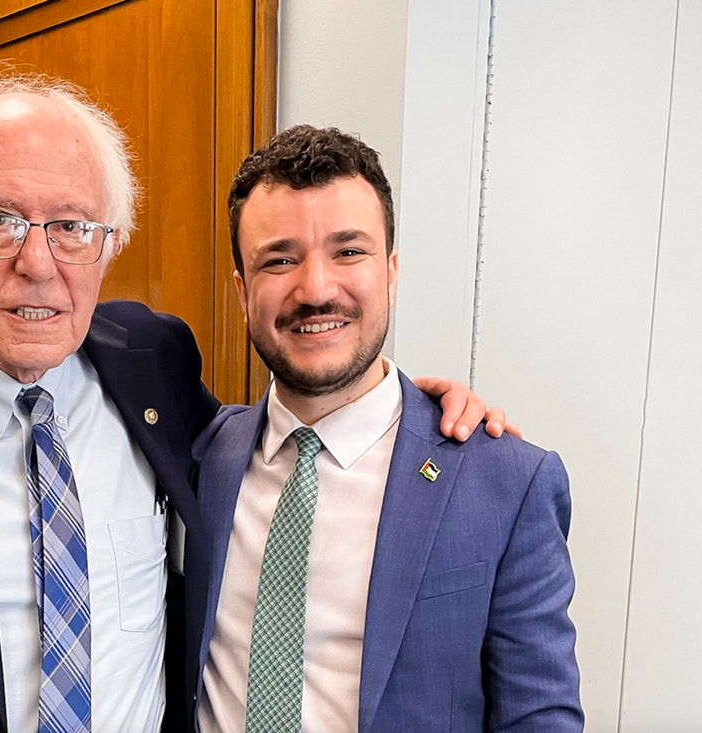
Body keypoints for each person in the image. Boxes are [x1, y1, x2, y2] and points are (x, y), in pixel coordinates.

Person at [0, 70, 507, 733]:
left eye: (73, 226)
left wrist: (411, 411)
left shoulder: (152, 360)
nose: (38, 263)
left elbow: (268, 440)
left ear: (110, 243)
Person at [187, 125, 582, 732]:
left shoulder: (507, 481)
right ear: (242, 293)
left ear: (391, 271)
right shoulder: (203, 453)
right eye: (280, 259)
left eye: (349, 251)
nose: (316, 289)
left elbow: (540, 717)